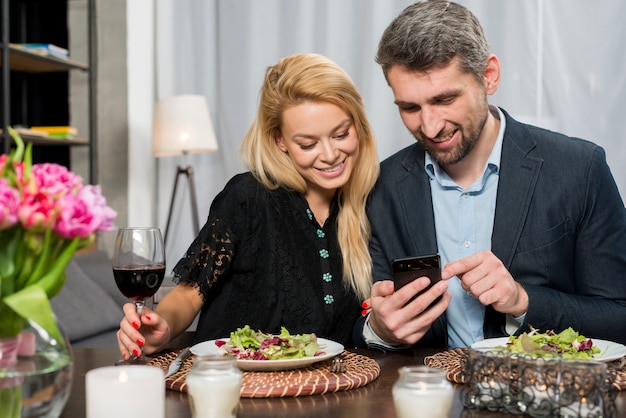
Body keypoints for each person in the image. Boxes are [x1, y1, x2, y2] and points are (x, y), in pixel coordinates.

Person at [356, 0, 626, 350]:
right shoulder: (381, 187)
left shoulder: (580, 168)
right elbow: (360, 315)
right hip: (429, 397)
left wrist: (523, 300)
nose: (430, 125)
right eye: (410, 107)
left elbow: (619, 316)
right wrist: (379, 328)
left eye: (445, 99)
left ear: (489, 75)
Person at [117, 53, 379, 360]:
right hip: (235, 389)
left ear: (358, 126)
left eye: (341, 134)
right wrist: (162, 326)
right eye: (308, 144)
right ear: (280, 140)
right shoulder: (247, 197)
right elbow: (189, 293)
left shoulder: (371, 202)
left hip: (327, 392)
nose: (330, 154)